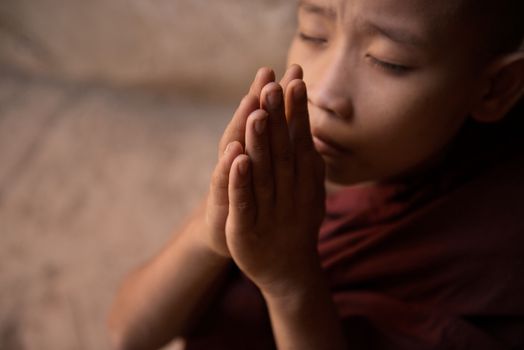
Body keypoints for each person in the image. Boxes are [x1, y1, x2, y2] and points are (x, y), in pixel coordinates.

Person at [107, 0, 524, 349]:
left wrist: (290, 280)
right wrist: (210, 230)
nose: (322, 94)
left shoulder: (496, 248)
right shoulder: (281, 177)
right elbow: (128, 335)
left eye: (387, 61)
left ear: (495, 88)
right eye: (313, 34)